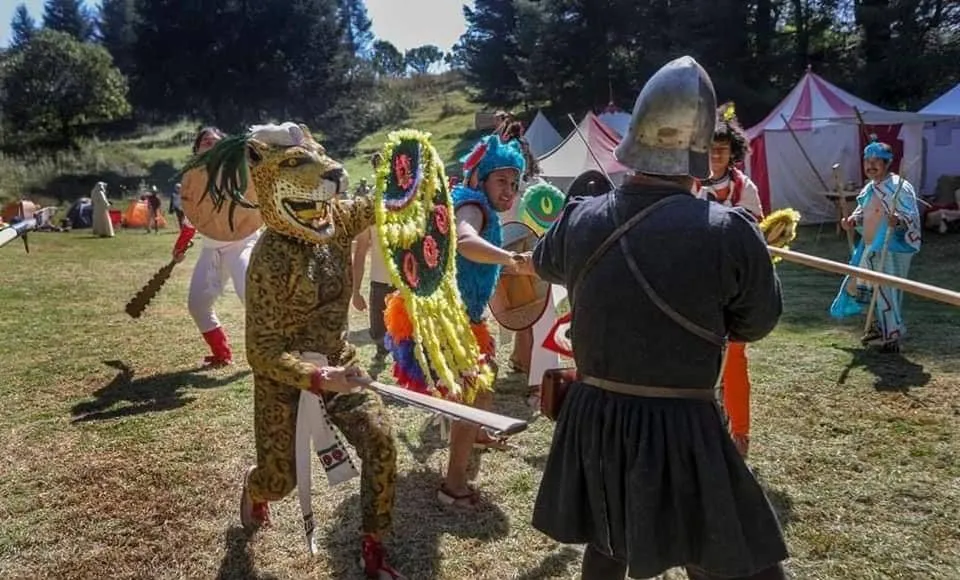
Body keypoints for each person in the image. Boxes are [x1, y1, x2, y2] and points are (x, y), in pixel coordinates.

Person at [530, 56, 789, 580]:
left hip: (597, 415)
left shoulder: (580, 218)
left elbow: (544, 261)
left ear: (635, 141)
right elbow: (756, 323)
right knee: (718, 548)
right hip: (682, 423)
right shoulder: (729, 230)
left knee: (608, 538)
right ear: (696, 152)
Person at [183, 122, 403, 578]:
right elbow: (261, 351)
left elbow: (386, 204)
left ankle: (373, 546)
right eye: (298, 166)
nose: (327, 177)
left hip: (340, 361)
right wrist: (317, 378)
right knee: (280, 480)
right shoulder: (268, 258)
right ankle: (255, 485)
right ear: (266, 180)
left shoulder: (336, 219)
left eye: (317, 160)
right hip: (284, 379)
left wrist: (413, 179)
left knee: (380, 440)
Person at [438, 133, 537, 507]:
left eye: (514, 183)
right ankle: (453, 485)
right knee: (470, 395)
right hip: (454, 320)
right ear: (478, 178)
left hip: (467, 316)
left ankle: (477, 433)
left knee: (487, 377)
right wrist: (512, 260)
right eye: (501, 180)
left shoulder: (482, 208)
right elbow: (465, 242)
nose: (510, 190)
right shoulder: (473, 208)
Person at [694, 102, 763, 458]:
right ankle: (697, 433)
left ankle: (740, 434)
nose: (715, 155)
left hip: (732, 288)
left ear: (732, 152)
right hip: (692, 286)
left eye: (722, 149)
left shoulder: (744, 188)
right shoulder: (688, 186)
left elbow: (757, 238)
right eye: (710, 148)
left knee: (735, 359)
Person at [174, 126, 264, 366]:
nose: (209, 142)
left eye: (215, 140)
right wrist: (181, 244)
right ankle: (221, 354)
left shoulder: (240, 169)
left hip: (242, 243)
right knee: (197, 304)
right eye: (204, 140)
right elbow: (193, 215)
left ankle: (274, 352)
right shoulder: (192, 177)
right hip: (212, 247)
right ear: (197, 148)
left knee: (251, 295)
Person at [832, 138, 922, 353]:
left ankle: (892, 336)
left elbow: (910, 215)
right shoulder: (870, 188)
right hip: (870, 246)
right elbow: (863, 211)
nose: (870, 166)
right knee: (865, 287)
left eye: (876, 162)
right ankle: (875, 328)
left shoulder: (900, 187)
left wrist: (898, 220)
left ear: (887, 163)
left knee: (886, 291)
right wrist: (852, 220)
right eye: (867, 161)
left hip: (890, 248)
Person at [352, 153, 394, 359]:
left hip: (408, 286)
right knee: (380, 342)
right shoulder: (369, 207)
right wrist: (356, 291)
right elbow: (360, 253)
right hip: (380, 285)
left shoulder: (412, 204)